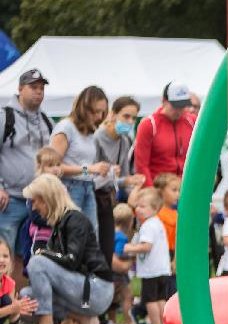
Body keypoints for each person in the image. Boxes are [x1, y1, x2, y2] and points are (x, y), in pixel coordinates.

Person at [13, 175, 113, 324]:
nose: (34, 207)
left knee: (37, 262)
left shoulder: (75, 219)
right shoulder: (58, 225)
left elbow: (71, 260)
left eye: (36, 201)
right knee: (27, 296)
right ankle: (83, 319)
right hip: (82, 290)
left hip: (98, 289)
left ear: (48, 199)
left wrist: (42, 252)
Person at [0, 69, 54, 283]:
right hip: (10, 200)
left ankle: (18, 309)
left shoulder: (46, 121)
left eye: (41, 88)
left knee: (26, 257)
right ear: (20, 88)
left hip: (37, 202)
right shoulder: (5, 117)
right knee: (4, 255)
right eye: (33, 87)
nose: (38, 93)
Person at [94, 96, 145, 281]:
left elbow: (120, 178)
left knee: (108, 249)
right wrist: (114, 177)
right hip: (92, 198)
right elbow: (91, 175)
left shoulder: (125, 140)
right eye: (126, 116)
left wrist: (131, 181)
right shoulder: (97, 137)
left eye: (134, 118)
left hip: (110, 199)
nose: (130, 122)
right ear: (113, 114)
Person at [50, 86, 109, 235]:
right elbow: (52, 167)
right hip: (69, 187)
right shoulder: (66, 128)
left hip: (87, 186)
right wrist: (89, 169)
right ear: (84, 108)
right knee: (72, 236)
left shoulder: (89, 131)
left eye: (103, 112)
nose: (99, 116)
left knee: (91, 237)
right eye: (95, 111)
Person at [122, 188, 172, 324]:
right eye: (137, 206)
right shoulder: (157, 223)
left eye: (143, 206)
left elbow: (146, 246)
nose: (138, 209)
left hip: (151, 271)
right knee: (161, 299)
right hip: (162, 269)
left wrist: (128, 247)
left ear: (155, 208)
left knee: (150, 300)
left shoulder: (148, 225)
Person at [134, 82, 196, 186]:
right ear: (164, 101)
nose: (179, 111)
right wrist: (152, 193)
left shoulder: (192, 121)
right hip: (159, 189)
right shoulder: (149, 125)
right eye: (175, 106)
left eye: (182, 106)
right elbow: (141, 165)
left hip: (184, 188)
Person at [109, 202, 136, 324]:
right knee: (127, 296)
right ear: (129, 222)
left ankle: (112, 320)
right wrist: (131, 258)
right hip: (119, 273)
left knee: (113, 298)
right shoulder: (121, 237)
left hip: (111, 272)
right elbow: (119, 251)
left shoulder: (111, 233)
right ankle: (127, 320)